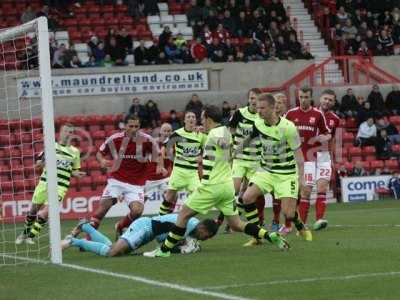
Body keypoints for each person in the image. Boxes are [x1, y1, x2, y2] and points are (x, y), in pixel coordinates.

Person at [143, 104, 290, 258]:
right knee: (237, 224)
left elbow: (223, 145)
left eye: (202, 119)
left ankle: (164, 251)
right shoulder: (224, 130)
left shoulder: (216, 133)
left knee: (183, 216)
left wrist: (226, 147)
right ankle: (270, 236)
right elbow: (225, 150)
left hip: (212, 186)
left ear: (209, 119)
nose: (201, 122)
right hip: (226, 187)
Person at [88, 115, 163, 236]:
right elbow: (99, 153)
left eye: (137, 126)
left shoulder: (147, 139)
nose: (134, 129)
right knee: (103, 208)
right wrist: (102, 161)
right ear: (125, 126)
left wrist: (160, 166)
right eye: (131, 126)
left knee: (138, 211)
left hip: (136, 184)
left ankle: (120, 225)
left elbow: (158, 154)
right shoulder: (115, 139)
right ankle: (88, 237)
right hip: (116, 181)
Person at [16, 124, 86, 244]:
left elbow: (74, 169)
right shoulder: (50, 146)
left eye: (70, 132)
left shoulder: (75, 152)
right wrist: (40, 164)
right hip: (45, 182)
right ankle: (25, 232)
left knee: (46, 211)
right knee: (33, 210)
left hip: (61, 186)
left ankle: (31, 236)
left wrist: (76, 174)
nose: (67, 134)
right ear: (60, 132)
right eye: (65, 131)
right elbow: (39, 163)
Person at [215, 88, 265, 246]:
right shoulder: (239, 113)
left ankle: (256, 234)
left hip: (256, 161)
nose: (253, 101)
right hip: (239, 159)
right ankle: (225, 220)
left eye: (256, 98)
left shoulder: (262, 117)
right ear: (248, 99)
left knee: (249, 197)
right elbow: (230, 131)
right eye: (251, 98)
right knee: (233, 190)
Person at [284, 86, 331, 231]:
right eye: (301, 97)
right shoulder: (291, 114)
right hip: (301, 159)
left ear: (311, 98)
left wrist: (324, 137)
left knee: (320, 187)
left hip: (316, 156)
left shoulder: (317, 114)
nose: (303, 100)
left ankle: (319, 220)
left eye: (306, 97)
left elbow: (327, 133)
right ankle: (301, 225)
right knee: (305, 191)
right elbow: (281, 131)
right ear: (298, 97)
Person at [62, 215, 219, 256]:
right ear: (203, 228)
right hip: (144, 227)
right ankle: (74, 241)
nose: (206, 238)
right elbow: (165, 243)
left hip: (148, 234)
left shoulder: (192, 227)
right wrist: (184, 248)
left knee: (113, 249)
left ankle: (86, 226)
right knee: (112, 253)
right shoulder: (188, 224)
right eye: (207, 235)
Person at [158, 111, 206, 216]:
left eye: (193, 117)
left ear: (196, 120)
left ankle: (183, 217)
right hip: (179, 171)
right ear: (184, 120)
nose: (191, 119)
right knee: (169, 196)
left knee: (198, 198)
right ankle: (159, 219)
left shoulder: (201, 135)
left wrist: (202, 157)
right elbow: (164, 147)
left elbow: (210, 149)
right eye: (188, 117)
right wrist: (163, 164)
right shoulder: (177, 133)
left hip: (192, 173)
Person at [312, 89, 340, 230]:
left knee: (322, 188)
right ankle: (295, 221)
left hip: (323, 156)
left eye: (330, 100)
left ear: (333, 102)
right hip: (307, 156)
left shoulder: (335, 119)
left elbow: (333, 140)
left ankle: (319, 219)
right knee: (302, 190)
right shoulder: (310, 113)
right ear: (320, 98)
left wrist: (332, 158)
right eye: (325, 98)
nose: (327, 102)